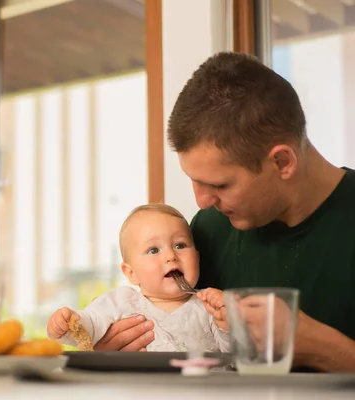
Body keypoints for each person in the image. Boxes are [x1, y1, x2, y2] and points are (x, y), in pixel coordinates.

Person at [92, 52, 355, 372]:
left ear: (282, 162)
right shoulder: (209, 230)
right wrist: (116, 351)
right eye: (194, 181)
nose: (201, 201)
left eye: (219, 185)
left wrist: (322, 349)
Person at [46, 204, 230, 353]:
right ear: (131, 272)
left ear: (197, 258)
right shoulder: (120, 301)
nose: (170, 256)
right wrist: (68, 324)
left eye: (180, 245)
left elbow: (233, 353)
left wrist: (226, 322)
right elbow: (91, 327)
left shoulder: (208, 307)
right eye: (153, 250)